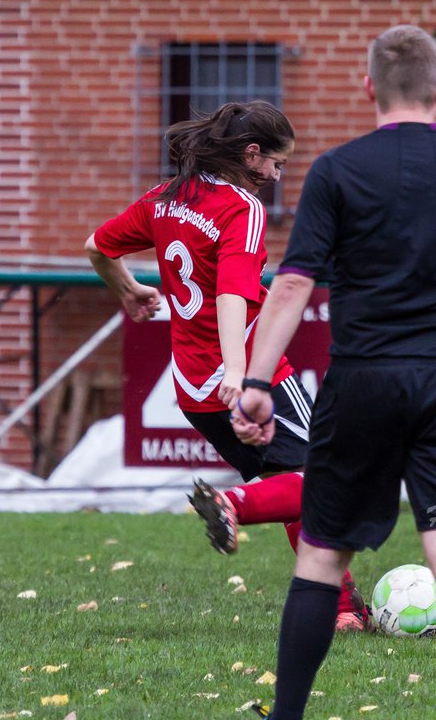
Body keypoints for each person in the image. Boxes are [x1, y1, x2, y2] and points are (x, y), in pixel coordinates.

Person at [236, 26, 436, 720]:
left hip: (362, 382)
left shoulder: (336, 171)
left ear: (370, 89)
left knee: (322, 556)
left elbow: (290, 288)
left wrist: (257, 383)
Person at [85, 100, 368, 632]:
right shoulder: (241, 208)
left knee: (292, 484)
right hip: (247, 375)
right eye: (277, 164)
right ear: (252, 154)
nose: (278, 176)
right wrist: (243, 378)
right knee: (326, 480)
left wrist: (127, 291)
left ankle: (343, 612)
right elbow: (233, 298)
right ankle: (234, 505)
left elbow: (96, 245)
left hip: (193, 389)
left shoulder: (167, 198)